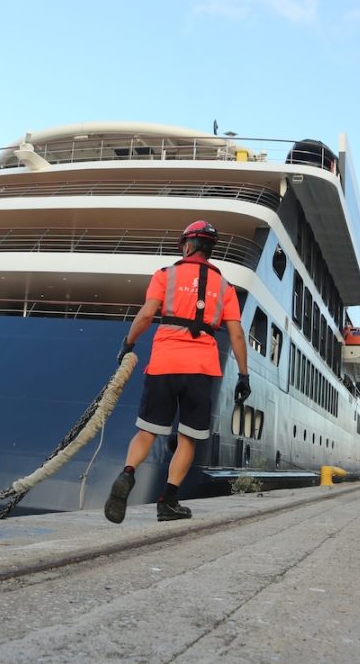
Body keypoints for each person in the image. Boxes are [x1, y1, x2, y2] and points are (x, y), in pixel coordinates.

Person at [106, 220, 250, 523]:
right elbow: (236, 334)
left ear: (186, 246)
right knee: (188, 438)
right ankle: (168, 502)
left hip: (164, 362)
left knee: (147, 431)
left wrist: (127, 344)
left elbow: (146, 314)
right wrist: (243, 374)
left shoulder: (165, 276)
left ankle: (127, 473)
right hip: (201, 368)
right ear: (210, 250)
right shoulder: (225, 288)